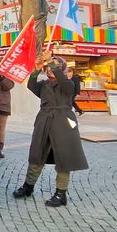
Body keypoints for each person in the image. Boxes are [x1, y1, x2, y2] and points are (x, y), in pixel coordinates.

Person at [13, 53, 89, 207]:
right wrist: (37, 69)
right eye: (48, 67)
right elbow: (31, 85)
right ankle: (28, 187)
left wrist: (52, 61)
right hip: (44, 120)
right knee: (37, 153)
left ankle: (61, 194)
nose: (49, 70)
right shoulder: (44, 85)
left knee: (64, 158)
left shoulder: (69, 83)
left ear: (61, 69)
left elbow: (63, 83)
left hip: (63, 123)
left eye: (53, 67)